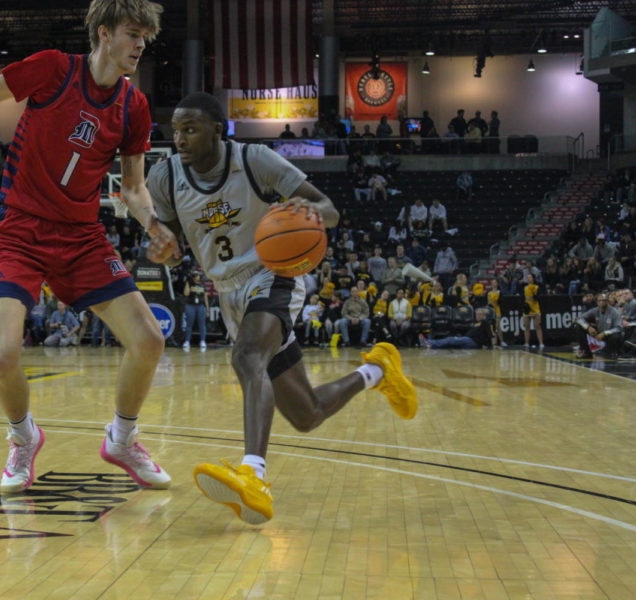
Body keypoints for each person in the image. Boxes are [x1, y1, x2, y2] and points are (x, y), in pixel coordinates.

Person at [0, 0, 175, 493]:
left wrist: (152, 222)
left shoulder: (134, 107)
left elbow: (131, 187)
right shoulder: (54, 69)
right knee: (1, 355)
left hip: (82, 237)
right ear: (104, 33)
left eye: (145, 36)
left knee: (149, 340)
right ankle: (24, 438)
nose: (140, 44)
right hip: (21, 229)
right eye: (132, 33)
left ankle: (122, 440)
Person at [146, 92, 418, 525]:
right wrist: (164, 249)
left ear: (218, 130)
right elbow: (174, 242)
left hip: (273, 273)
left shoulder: (256, 161)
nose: (179, 138)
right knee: (306, 413)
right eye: (175, 130)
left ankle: (254, 475)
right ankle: (378, 371)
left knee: (247, 356)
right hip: (226, 289)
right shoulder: (164, 176)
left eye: (191, 129)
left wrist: (309, 209)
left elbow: (328, 210)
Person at [572, 292, 623, 358]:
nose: (602, 302)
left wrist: (605, 333)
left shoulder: (614, 312)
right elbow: (579, 319)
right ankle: (586, 352)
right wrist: (588, 327)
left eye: (604, 300)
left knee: (616, 335)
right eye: (600, 300)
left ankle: (613, 352)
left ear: (608, 302)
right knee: (578, 326)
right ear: (597, 302)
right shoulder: (595, 310)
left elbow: (619, 328)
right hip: (597, 332)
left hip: (609, 335)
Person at [420, 308, 495, 349]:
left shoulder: (485, 323)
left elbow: (492, 335)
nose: (478, 316)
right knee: (450, 344)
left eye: (480, 314)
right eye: (477, 314)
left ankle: (429, 342)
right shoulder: (475, 323)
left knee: (450, 340)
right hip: (468, 340)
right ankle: (430, 345)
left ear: (484, 315)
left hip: (473, 342)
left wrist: (493, 346)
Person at [182, 271, 209, 350]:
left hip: (201, 306)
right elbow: (186, 294)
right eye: (195, 275)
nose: (196, 276)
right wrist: (187, 282)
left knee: (202, 324)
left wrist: (207, 309)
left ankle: (203, 341)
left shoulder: (203, 285)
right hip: (190, 306)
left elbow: (205, 298)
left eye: (197, 275)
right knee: (189, 324)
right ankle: (187, 341)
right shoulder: (190, 284)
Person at [522, 273, 544, 348]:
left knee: (537, 326)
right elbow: (522, 298)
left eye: (530, 277)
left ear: (533, 279)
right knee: (526, 326)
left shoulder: (537, 287)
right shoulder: (524, 288)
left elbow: (539, 297)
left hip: (535, 308)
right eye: (527, 277)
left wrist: (535, 295)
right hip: (527, 308)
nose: (529, 279)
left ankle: (541, 343)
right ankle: (526, 343)